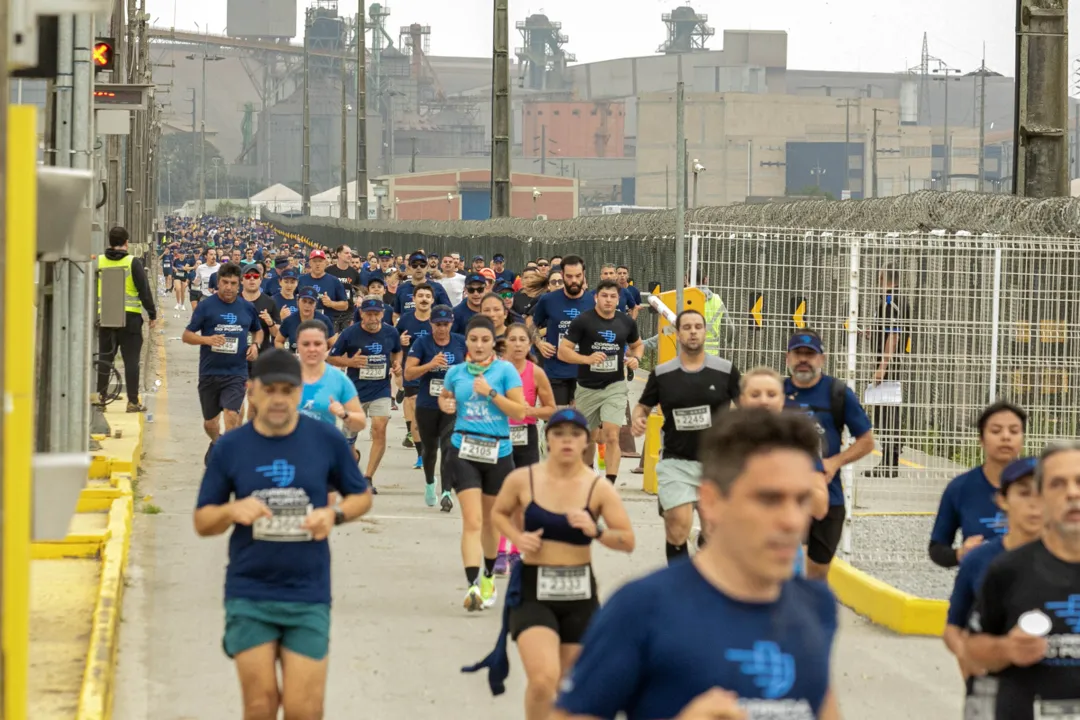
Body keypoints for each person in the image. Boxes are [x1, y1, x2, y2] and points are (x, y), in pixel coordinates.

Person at [552, 408, 841, 720]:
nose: (791, 520)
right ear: (712, 501)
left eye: (801, 500)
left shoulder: (816, 606)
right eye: (768, 499)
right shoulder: (641, 609)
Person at [194, 349, 373, 720]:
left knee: (303, 709)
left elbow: (361, 496)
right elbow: (202, 520)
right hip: (250, 591)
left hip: (307, 592)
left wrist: (333, 514)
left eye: (288, 390)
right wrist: (231, 510)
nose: (278, 399)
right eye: (270, 389)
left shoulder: (326, 440)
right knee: (260, 705)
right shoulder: (230, 447)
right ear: (252, 391)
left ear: (299, 392)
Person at [472, 408, 635, 718]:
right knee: (543, 680)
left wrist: (596, 531)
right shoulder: (524, 479)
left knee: (568, 686)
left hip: (579, 593)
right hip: (534, 590)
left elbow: (627, 540)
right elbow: (498, 514)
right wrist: (517, 539)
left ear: (587, 441)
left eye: (575, 435)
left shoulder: (597, 487)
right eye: (559, 434)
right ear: (548, 439)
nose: (567, 442)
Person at [964, 440, 1080, 720]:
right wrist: (1005, 649)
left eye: (1079, 481)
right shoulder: (1007, 569)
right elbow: (974, 651)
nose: (1072, 493)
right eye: (1057, 484)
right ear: (1040, 498)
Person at [631, 309, 741, 564]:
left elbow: (744, 406)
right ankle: (679, 584)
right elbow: (643, 406)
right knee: (678, 525)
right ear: (678, 334)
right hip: (676, 461)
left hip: (716, 464)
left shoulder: (725, 371)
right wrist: (638, 418)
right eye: (687, 327)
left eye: (698, 327)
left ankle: (707, 565)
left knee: (714, 531)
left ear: (704, 331)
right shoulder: (663, 373)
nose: (693, 331)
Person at [438, 316, 528, 611]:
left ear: (493, 343)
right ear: (467, 342)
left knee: (491, 522)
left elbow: (519, 410)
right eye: (473, 339)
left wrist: (490, 392)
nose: (478, 345)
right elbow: (446, 397)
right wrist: (446, 404)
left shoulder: (505, 372)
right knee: (473, 521)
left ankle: (489, 576)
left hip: (498, 453)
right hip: (463, 450)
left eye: (484, 340)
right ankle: (473, 585)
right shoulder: (456, 372)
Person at [943, 457, 1041, 714]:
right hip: (991, 692)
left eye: (1043, 492)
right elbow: (954, 627)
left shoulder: (1070, 559)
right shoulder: (980, 560)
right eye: (1024, 492)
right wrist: (969, 658)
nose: (1034, 503)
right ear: (1003, 499)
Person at [784, 329, 875, 580]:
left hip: (828, 495)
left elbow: (866, 442)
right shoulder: (775, 393)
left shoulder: (837, 393)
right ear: (787, 358)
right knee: (790, 568)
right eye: (798, 353)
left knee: (817, 572)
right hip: (785, 496)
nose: (804, 359)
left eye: (810, 354)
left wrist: (835, 462)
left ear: (821, 360)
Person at [559, 279, 644, 483]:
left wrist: (636, 359)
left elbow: (638, 345)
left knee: (611, 435)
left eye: (613, 296)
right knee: (587, 439)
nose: (608, 300)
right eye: (604, 296)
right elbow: (563, 351)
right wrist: (586, 359)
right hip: (587, 387)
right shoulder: (583, 321)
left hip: (614, 386)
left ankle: (609, 485)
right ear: (596, 297)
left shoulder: (626, 322)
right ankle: (588, 478)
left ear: (618, 299)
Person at [182, 262, 263, 464]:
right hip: (210, 372)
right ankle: (217, 443)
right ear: (218, 283)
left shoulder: (247, 307)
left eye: (233, 283)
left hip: (236, 372)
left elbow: (258, 330)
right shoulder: (206, 306)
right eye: (225, 282)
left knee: (231, 414)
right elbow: (186, 335)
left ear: (239, 285)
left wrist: (255, 346)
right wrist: (207, 340)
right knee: (210, 423)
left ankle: (228, 456)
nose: (229, 287)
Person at [929, 401, 1027, 568]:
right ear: (981, 438)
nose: (1005, 437)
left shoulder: (1044, 486)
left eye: (1014, 431)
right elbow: (937, 548)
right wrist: (960, 554)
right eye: (996, 431)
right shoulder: (960, 488)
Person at [495, 322, 557, 575]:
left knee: (522, 498)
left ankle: (515, 551)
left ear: (530, 345)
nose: (518, 344)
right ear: (505, 344)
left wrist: (530, 410)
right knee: (501, 496)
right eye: (514, 339)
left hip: (526, 437)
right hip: (498, 436)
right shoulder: (495, 370)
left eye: (523, 340)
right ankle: (500, 551)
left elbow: (551, 408)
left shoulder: (536, 372)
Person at [328, 298, 403, 495]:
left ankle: (368, 478)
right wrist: (350, 362)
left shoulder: (391, 332)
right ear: (361, 313)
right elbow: (331, 357)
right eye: (368, 313)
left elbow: (397, 352)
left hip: (381, 390)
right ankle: (354, 457)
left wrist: (396, 364)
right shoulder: (350, 333)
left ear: (382, 314)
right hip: (354, 393)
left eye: (376, 313)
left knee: (380, 428)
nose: (372, 317)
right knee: (348, 440)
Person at [406, 305, 467, 509]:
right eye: (438, 324)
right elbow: (409, 373)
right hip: (427, 404)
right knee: (430, 449)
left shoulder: (460, 342)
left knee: (449, 448)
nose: (442, 329)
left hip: (451, 404)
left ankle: (447, 492)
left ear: (451, 324)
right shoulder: (422, 343)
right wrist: (430, 365)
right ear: (431, 324)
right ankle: (430, 484)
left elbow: (473, 367)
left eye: (446, 324)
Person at [96, 225, 158, 413]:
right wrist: (152, 314)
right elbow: (144, 290)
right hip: (130, 319)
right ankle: (132, 402)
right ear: (126, 242)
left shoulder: (99, 262)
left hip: (106, 317)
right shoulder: (132, 262)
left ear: (109, 242)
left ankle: (101, 399)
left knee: (105, 359)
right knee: (131, 361)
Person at [864, 265, 910, 479]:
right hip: (889, 364)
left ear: (882, 278)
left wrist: (883, 366)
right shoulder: (890, 301)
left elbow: (894, 335)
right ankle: (889, 460)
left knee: (886, 413)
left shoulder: (892, 302)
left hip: (889, 367)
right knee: (886, 411)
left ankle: (890, 462)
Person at [530, 260, 591, 407]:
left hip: (584, 371)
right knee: (559, 422)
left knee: (580, 423)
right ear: (562, 275)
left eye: (578, 276)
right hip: (556, 370)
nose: (574, 280)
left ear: (584, 276)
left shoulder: (593, 301)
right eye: (569, 276)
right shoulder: (548, 300)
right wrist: (539, 343)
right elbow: (532, 326)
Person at [296, 320, 367, 435]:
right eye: (306, 344)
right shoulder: (284, 377)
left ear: (326, 346)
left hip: (323, 448)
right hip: (289, 449)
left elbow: (361, 423)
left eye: (318, 344)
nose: (312, 349)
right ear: (297, 345)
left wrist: (344, 414)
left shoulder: (338, 379)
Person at [396, 283, 437, 469]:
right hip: (411, 372)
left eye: (427, 296)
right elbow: (393, 345)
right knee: (416, 411)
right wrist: (399, 341)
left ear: (432, 300)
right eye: (420, 295)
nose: (424, 299)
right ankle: (421, 454)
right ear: (413, 299)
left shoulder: (438, 320)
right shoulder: (405, 320)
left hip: (434, 373)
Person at [275, 286, 336, 352]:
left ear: (316, 304)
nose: (307, 305)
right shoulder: (289, 320)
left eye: (311, 302)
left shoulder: (324, 321)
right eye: (304, 301)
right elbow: (278, 341)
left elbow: (333, 346)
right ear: (298, 301)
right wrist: (288, 356)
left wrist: (324, 356)